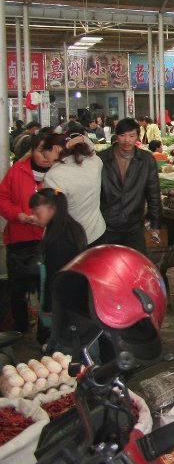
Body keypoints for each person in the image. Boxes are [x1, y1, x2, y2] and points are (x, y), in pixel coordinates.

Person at [0, 131, 60, 333]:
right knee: (17, 290)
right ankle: (20, 329)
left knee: (48, 290)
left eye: (48, 151)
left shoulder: (59, 174)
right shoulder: (17, 171)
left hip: (48, 241)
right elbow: (2, 199)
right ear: (32, 151)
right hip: (19, 240)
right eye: (39, 150)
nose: (44, 156)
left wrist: (50, 219)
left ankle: (47, 333)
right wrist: (19, 215)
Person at [28, 188, 88, 348]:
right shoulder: (73, 227)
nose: (34, 217)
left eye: (37, 212)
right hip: (79, 301)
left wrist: (48, 306)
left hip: (65, 303)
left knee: (67, 348)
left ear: (52, 208)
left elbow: (55, 276)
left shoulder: (58, 239)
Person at [97, 118, 162, 254]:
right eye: (122, 135)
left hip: (133, 225)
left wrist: (155, 224)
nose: (127, 140)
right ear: (116, 136)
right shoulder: (101, 159)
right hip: (105, 226)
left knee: (136, 266)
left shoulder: (146, 160)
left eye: (131, 136)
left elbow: (153, 193)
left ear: (138, 136)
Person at [42, 132, 105, 246]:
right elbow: (91, 149)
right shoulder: (94, 162)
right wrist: (82, 138)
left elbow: (54, 212)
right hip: (97, 233)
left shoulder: (53, 176)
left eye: (47, 156)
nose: (47, 162)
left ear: (55, 149)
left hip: (72, 240)